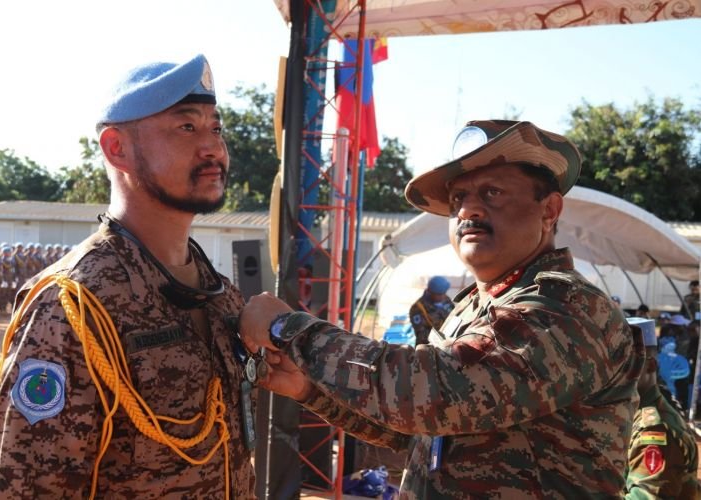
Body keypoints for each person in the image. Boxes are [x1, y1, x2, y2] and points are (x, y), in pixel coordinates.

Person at [239, 120, 642, 497]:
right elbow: (420, 432)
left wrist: (288, 329)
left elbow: (432, 391)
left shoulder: (567, 308)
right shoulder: (473, 307)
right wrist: (309, 389)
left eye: (493, 193)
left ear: (549, 210)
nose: (468, 210)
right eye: (457, 199)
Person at [0, 54, 255, 499]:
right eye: (187, 127)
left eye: (216, 128)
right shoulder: (72, 306)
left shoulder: (223, 298)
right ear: (116, 148)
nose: (213, 148)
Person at [624, 317, 699, 498]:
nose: (615, 372)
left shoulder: (653, 429)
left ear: (651, 366)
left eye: (626, 364)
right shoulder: (631, 412)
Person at [408, 275, 453, 345]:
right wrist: (444, 338)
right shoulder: (417, 309)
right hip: (429, 347)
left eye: (444, 293)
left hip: (449, 341)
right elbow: (422, 336)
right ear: (430, 292)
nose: (443, 296)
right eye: (439, 294)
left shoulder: (445, 299)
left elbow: (454, 314)